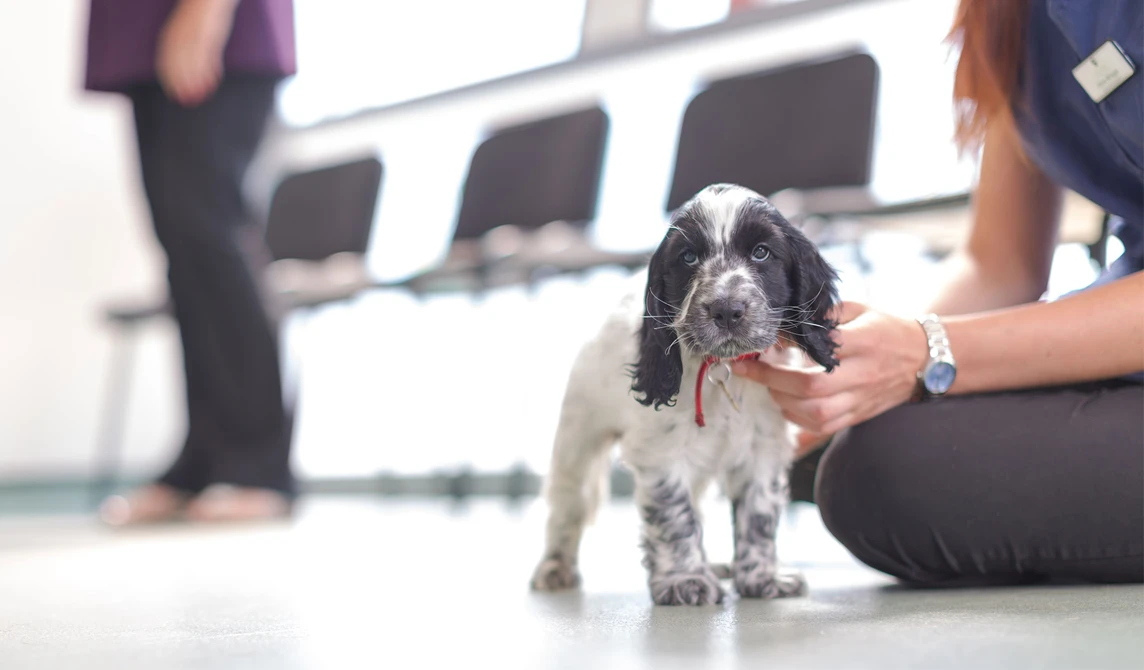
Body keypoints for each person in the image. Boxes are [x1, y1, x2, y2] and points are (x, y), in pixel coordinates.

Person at [736, 0, 1143, 584]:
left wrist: (926, 351)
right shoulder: (1012, 16)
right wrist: (841, 350)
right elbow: (998, 263)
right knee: (836, 430)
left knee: (883, 475)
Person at [85, 0, 298, 523]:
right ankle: (203, 460)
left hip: (210, 29)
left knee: (212, 235)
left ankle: (259, 464)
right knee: (182, 251)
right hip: (143, 37)